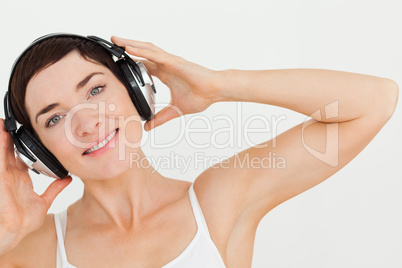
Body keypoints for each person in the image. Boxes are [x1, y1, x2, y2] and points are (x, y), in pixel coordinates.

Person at [0, 34, 398, 268]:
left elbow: (374, 102)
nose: (86, 124)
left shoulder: (218, 202)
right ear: (38, 152)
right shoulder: (32, 249)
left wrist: (220, 85)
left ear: (136, 89)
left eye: (96, 90)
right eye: (53, 119)